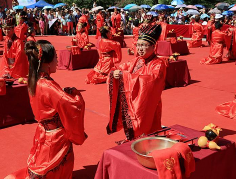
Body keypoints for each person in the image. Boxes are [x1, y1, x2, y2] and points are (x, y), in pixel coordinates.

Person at [5, 40, 87, 178]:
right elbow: (72, 105)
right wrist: (75, 94)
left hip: (44, 131)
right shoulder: (47, 85)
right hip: (56, 136)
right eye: (55, 56)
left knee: (42, 166)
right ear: (47, 62)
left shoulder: (34, 80)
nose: (57, 59)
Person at [107, 24, 166, 141]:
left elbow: (152, 81)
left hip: (149, 101)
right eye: (138, 45)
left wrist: (125, 76)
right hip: (134, 101)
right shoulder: (137, 60)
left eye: (143, 45)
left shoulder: (158, 63)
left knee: (150, 129)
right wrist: (114, 73)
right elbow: (120, 67)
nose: (140, 48)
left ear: (154, 46)